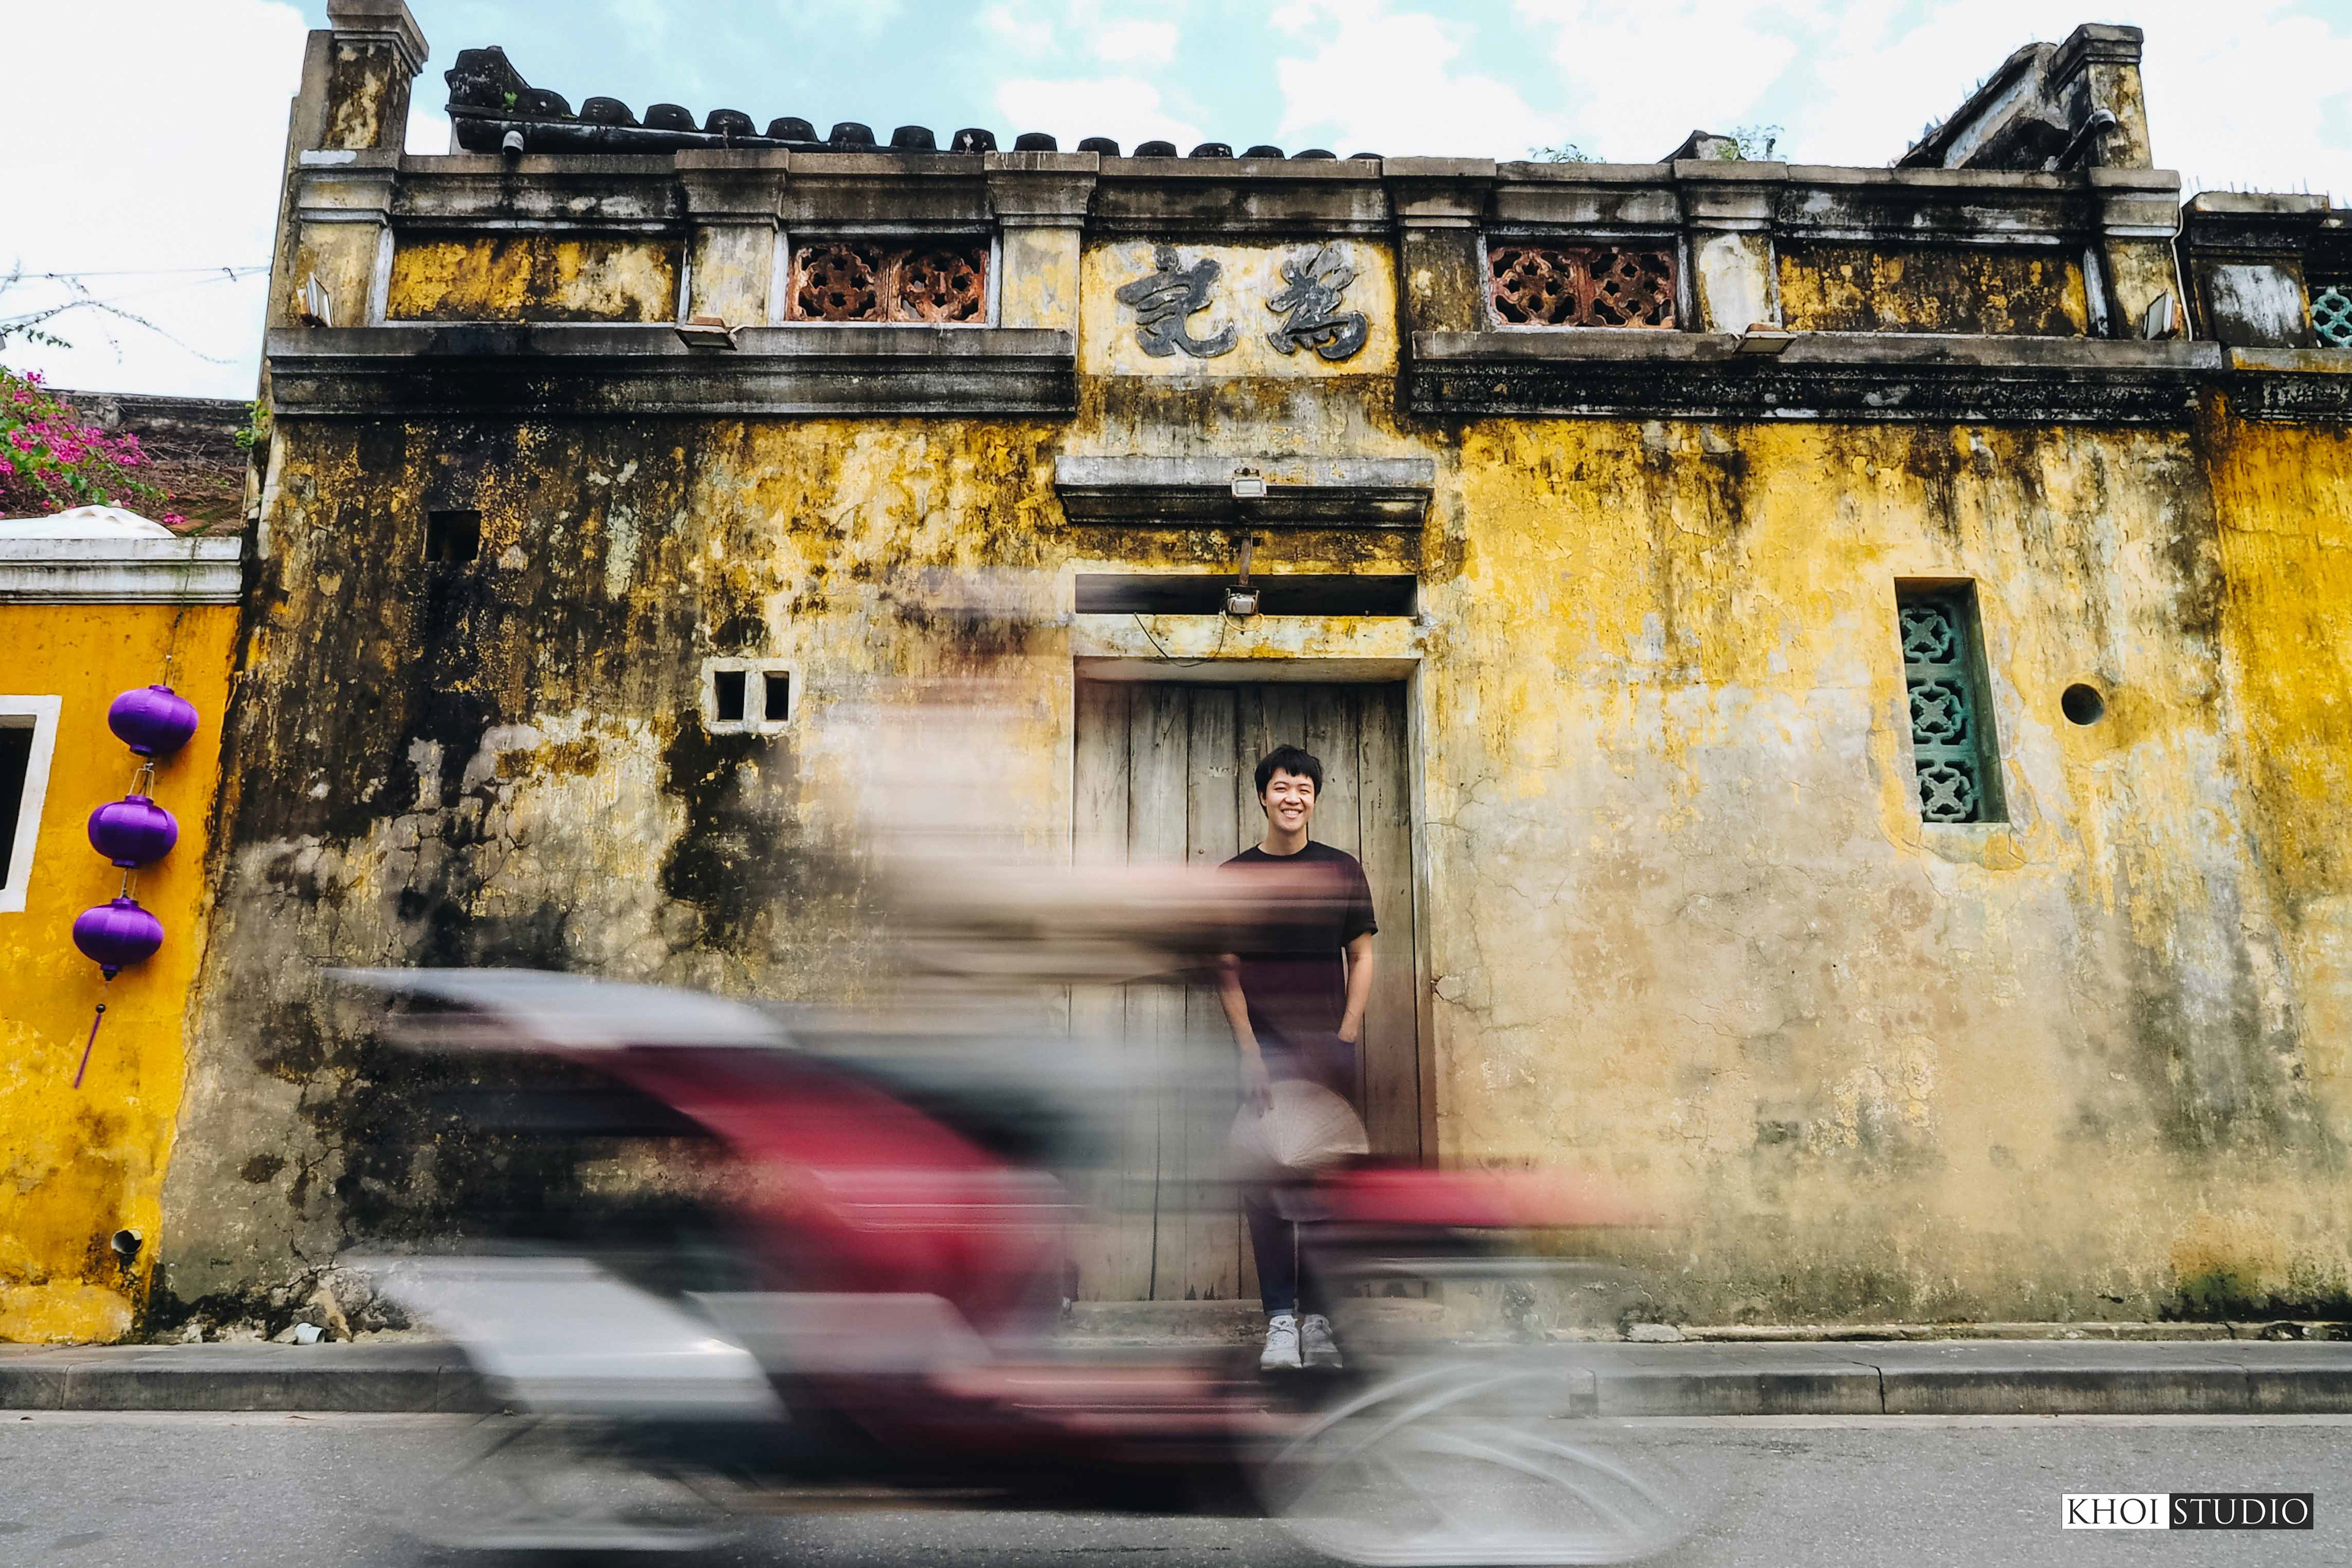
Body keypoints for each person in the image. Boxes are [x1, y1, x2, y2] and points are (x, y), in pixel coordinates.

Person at [1216, 744, 1376, 1371]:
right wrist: (1250, 1052)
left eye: (1304, 788)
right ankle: (1281, 1320)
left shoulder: (1341, 870)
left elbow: (1362, 956)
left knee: (1327, 1187)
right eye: (1282, 786)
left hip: (1327, 1052)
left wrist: (1346, 1036)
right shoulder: (1235, 877)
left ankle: (1320, 1321)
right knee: (1266, 1184)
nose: (1293, 797)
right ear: (1263, 796)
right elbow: (1226, 969)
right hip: (1263, 1054)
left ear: (1315, 799)